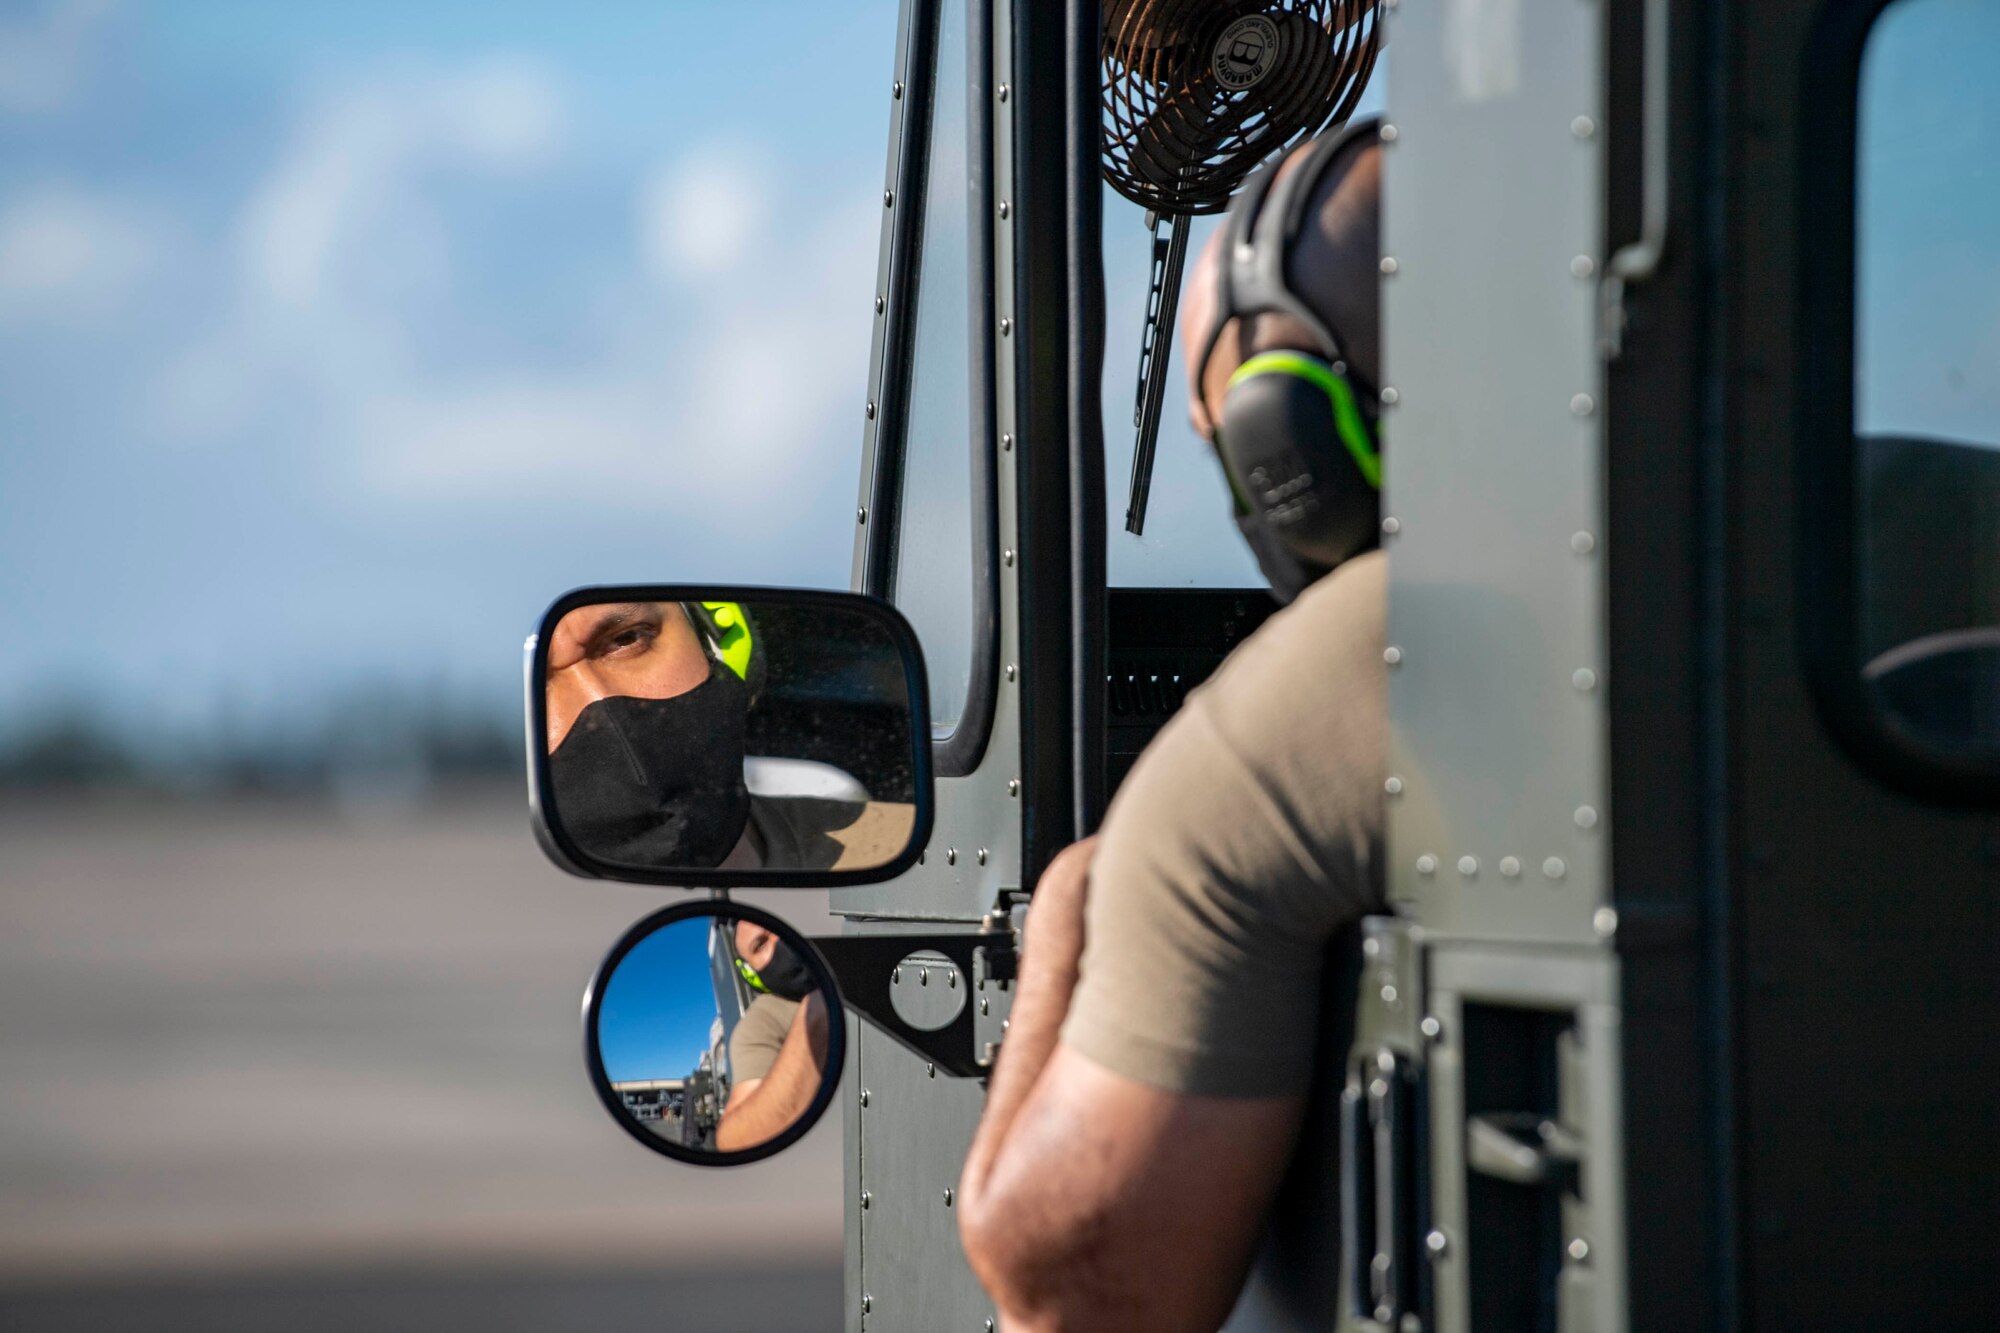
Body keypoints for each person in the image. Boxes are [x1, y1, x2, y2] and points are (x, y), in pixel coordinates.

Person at [957, 120, 1389, 1332]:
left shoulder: (1269, 743)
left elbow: (1073, 1283)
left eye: (1231, 454)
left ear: (1287, 445)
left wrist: (1064, 926)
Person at [543, 600, 914, 872]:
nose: (600, 706)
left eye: (626, 638)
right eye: (542, 686)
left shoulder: (908, 847)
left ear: (722, 646)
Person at [713, 919, 831, 1151]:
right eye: (761, 945)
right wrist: (814, 1020)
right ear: (752, 975)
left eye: (777, 930)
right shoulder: (759, 1026)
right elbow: (733, 1139)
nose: (779, 942)